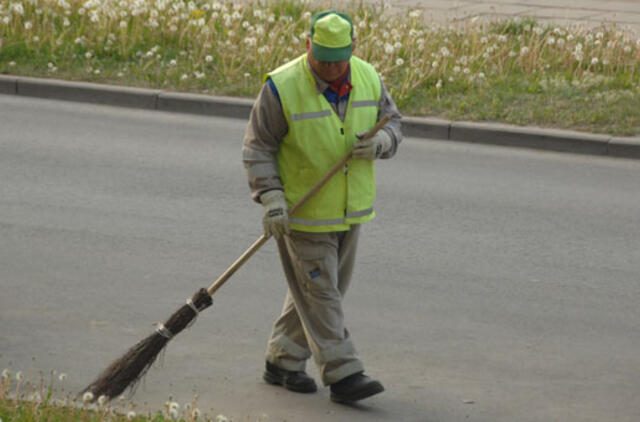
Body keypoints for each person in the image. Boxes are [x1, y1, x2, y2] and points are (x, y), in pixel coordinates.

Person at [242, 9, 402, 404]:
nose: (330, 68)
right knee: (323, 294)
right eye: (322, 58)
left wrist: (380, 145)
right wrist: (272, 199)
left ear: (353, 49)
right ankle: (344, 373)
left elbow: (394, 122)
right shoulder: (281, 87)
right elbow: (257, 147)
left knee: (320, 291)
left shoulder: (368, 76)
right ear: (307, 45)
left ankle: (282, 360)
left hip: (351, 210)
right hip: (302, 214)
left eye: (338, 59)